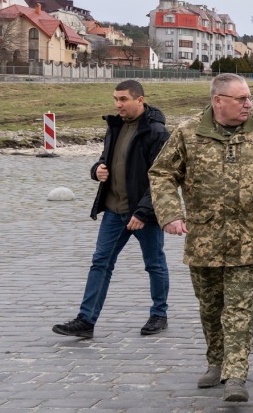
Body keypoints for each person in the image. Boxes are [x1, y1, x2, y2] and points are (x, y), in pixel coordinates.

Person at [150, 73, 253, 403]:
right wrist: (170, 213)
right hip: (204, 240)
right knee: (210, 306)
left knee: (239, 308)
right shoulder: (188, 135)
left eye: (249, 98)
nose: (248, 104)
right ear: (218, 101)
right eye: (241, 99)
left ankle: (235, 374)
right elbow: (161, 174)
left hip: (250, 239)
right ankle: (216, 361)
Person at [52, 80, 171, 340]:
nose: (118, 104)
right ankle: (86, 320)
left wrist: (143, 212)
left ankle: (159, 314)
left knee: (154, 264)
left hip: (143, 214)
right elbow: (106, 160)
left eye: (123, 99)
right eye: (115, 99)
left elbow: (163, 178)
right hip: (114, 211)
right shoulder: (114, 127)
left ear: (140, 100)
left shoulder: (157, 132)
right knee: (100, 263)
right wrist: (96, 170)